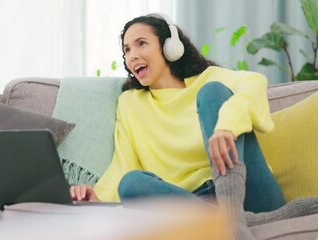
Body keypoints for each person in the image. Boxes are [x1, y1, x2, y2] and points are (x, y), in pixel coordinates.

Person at [70, 13, 318, 240]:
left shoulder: (210, 78)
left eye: (141, 43)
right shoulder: (129, 104)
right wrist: (98, 198)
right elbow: (124, 164)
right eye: (126, 49)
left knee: (213, 93)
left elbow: (255, 82)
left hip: (249, 190)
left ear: (170, 47)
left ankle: (232, 220)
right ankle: (238, 222)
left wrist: (227, 127)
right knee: (131, 183)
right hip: (191, 201)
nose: (132, 55)